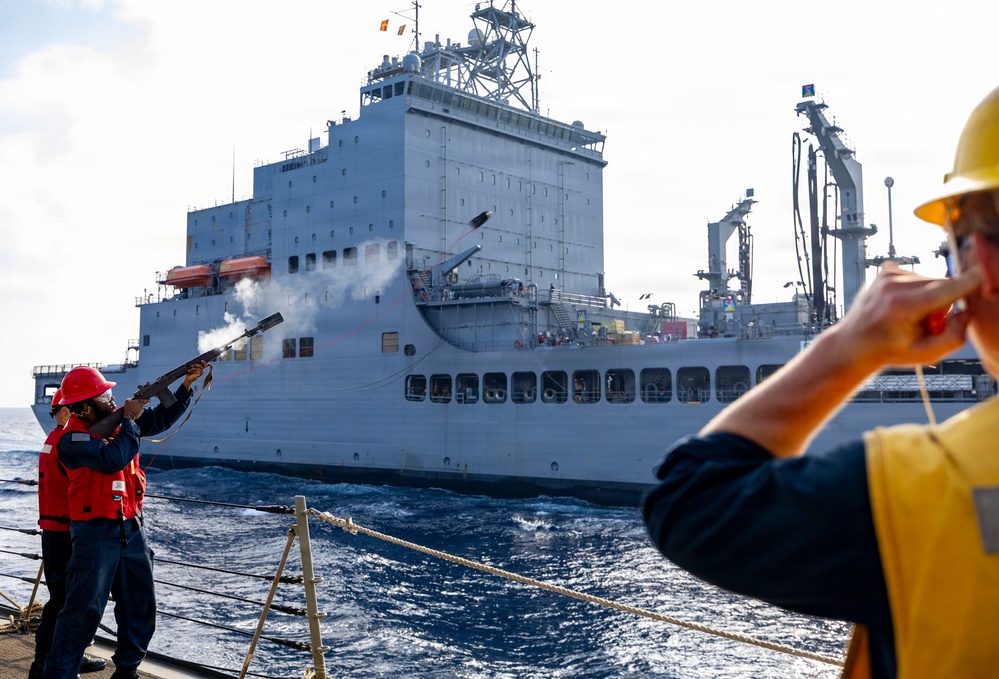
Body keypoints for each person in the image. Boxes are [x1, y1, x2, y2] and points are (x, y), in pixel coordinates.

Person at [642, 84, 999, 679]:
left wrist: (844, 348)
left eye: (951, 250)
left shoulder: (923, 487)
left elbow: (690, 502)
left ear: (980, 265)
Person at [42, 362, 206, 679]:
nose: (112, 399)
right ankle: (59, 674)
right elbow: (113, 458)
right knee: (83, 610)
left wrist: (185, 386)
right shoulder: (70, 439)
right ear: (86, 406)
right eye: (104, 395)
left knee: (138, 604)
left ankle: (127, 670)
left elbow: (158, 420)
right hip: (95, 533)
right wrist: (129, 418)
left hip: (131, 527)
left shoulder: (116, 422)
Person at [31, 389, 107, 678]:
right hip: (65, 531)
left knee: (61, 600)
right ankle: (48, 662)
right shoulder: (67, 442)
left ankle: (55, 659)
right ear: (66, 413)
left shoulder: (52, 441)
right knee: (66, 602)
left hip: (54, 529)